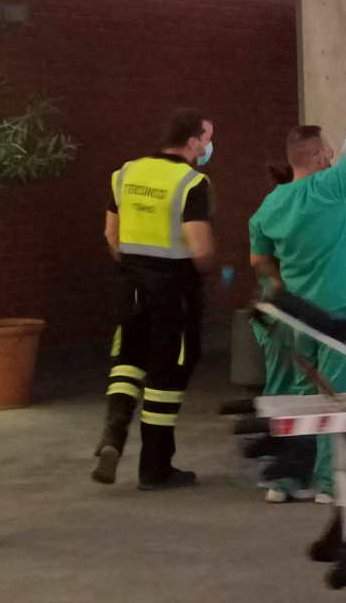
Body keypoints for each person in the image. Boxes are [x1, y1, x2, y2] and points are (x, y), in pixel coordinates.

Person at [248, 63, 346, 505]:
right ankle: (332, 483)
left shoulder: (269, 206)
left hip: (297, 310)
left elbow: (258, 259)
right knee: (340, 394)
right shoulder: (328, 187)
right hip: (342, 305)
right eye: (329, 148)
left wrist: (282, 283)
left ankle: (286, 481)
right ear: (322, 155)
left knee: (303, 393)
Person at [93, 109, 216, 490]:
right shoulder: (193, 182)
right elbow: (200, 248)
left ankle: (113, 435)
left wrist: (133, 264)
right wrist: (213, 268)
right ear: (193, 142)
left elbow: (111, 234)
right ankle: (155, 467)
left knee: (128, 359)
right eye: (208, 138)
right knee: (167, 372)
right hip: (173, 292)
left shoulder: (125, 173)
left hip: (130, 284)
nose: (210, 146)